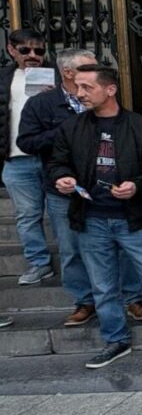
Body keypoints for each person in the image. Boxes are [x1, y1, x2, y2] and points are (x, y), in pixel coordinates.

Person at [48, 64, 142, 369]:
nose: (79, 92)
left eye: (87, 87)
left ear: (110, 89)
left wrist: (137, 185)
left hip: (135, 219)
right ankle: (116, 340)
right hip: (90, 218)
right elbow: (57, 162)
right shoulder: (72, 127)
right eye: (77, 86)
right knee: (102, 286)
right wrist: (62, 177)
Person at [17, 48, 142, 327]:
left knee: (124, 246)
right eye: (89, 67)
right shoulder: (42, 104)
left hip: (107, 190)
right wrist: (69, 129)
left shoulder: (101, 96)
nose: (96, 71)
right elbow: (27, 142)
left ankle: (133, 298)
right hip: (65, 192)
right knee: (71, 248)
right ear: (68, 73)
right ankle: (85, 300)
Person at [1, 28, 56, 285]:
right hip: (16, 158)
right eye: (25, 50)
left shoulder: (57, 76)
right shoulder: (3, 79)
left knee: (63, 215)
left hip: (54, 158)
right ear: (11, 50)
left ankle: (74, 262)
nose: (33, 55)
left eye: (39, 50)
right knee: (27, 215)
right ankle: (39, 263)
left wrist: (56, 97)